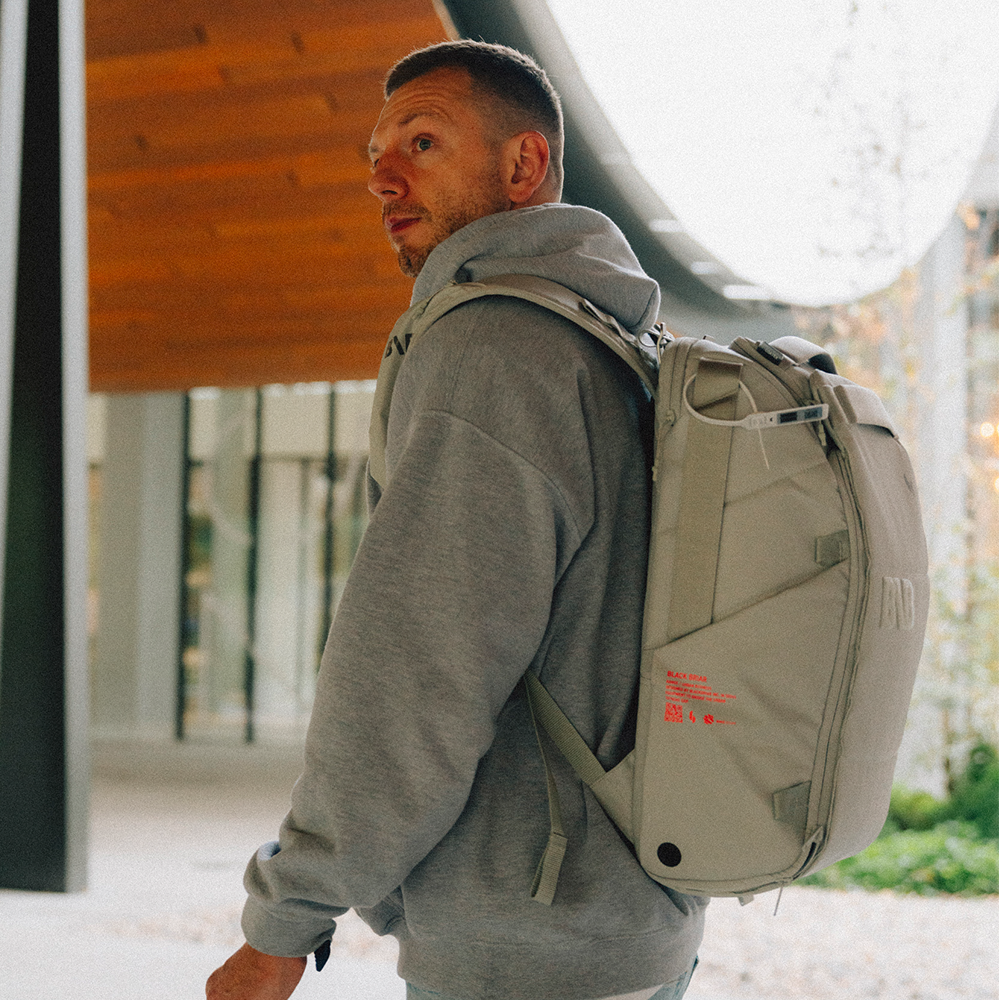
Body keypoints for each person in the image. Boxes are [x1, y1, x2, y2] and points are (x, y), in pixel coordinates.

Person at [206, 40, 706, 1000]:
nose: (382, 178)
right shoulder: (618, 340)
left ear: (524, 165)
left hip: (526, 939)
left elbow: (415, 673)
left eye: (422, 142)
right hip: (641, 915)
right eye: (375, 155)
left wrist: (283, 924)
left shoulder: (494, 347)